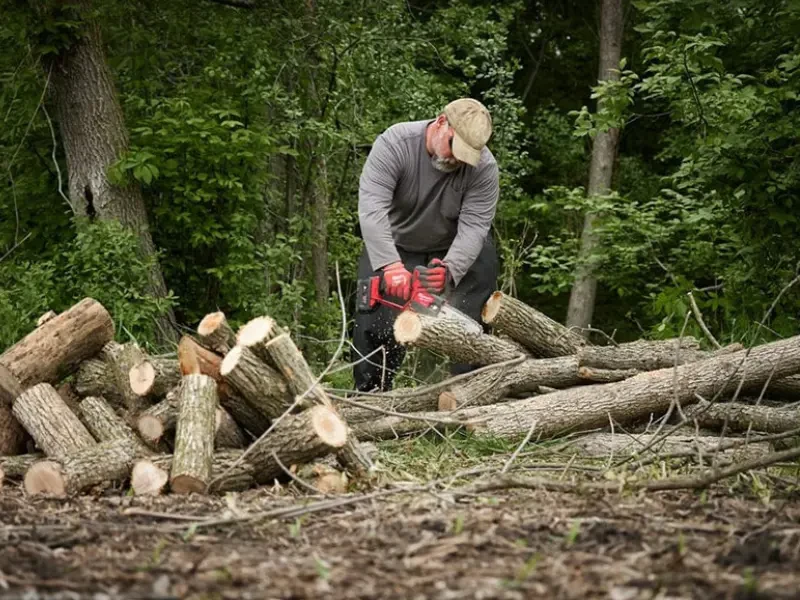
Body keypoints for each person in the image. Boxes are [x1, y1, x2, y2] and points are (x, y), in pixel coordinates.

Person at [352, 98, 500, 392]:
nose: (456, 159)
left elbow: (474, 227)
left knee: (479, 286)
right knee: (374, 304)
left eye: (466, 155)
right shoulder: (396, 143)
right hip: (397, 243)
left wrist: (451, 269)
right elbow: (372, 209)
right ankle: (371, 395)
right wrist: (391, 266)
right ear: (441, 122)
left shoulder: (484, 168)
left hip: (453, 246)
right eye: (452, 146)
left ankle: (469, 392)